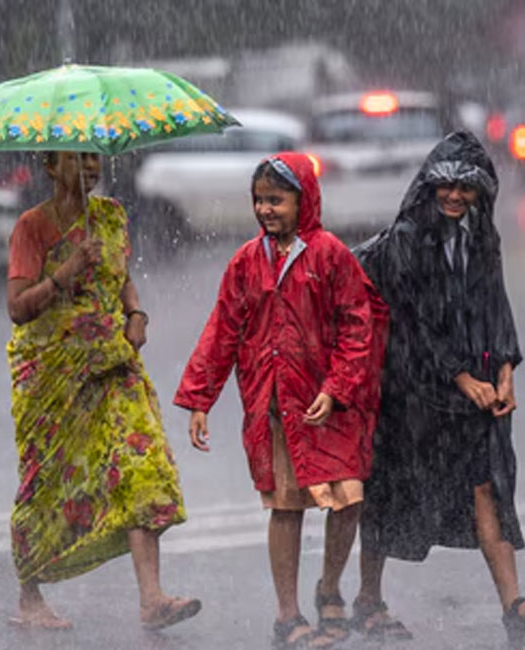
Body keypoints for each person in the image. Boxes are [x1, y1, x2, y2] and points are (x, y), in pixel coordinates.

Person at [351, 131, 525, 643]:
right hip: (412, 390)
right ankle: (366, 599)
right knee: (390, 490)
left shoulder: (480, 234)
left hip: (475, 386)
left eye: (464, 189)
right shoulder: (406, 239)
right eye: (444, 185)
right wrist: (460, 377)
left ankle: (514, 606)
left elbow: (495, 303)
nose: (453, 196)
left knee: (487, 486)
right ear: (429, 185)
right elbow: (412, 320)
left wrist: (506, 369)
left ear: (479, 194)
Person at [174, 153, 385, 649]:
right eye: (260, 200)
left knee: (348, 499)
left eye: (277, 199)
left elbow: (359, 327)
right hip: (277, 408)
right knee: (286, 507)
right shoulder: (247, 261)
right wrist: (200, 398)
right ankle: (287, 617)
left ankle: (329, 588)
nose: (266, 209)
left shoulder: (330, 254)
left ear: (304, 199)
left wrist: (336, 388)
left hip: (332, 406)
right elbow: (222, 330)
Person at [5, 150, 199, 630]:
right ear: (50, 167)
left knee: (141, 463)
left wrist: (136, 314)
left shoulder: (110, 216)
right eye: (78, 158)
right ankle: (30, 598)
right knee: (47, 481)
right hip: (54, 374)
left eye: (95, 158)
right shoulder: (33, 227)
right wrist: (66, 272)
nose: (91, 167)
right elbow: (18, 307)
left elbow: (122, 280)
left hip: (112, 362)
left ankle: (152, 598)